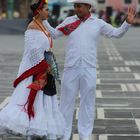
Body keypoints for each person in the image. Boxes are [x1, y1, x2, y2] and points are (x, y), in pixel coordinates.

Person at [40, 0, 136, 140]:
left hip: (89, 68)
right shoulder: (69, 21)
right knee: (66, 104)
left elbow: (116, 34)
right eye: (75, 6)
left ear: (88, 7)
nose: (76, 9)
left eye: (79, 6)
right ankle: (64, 135)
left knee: (88, 104)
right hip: (71, 67)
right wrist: (44, 21)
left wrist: (127, 23)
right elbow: (54, 34)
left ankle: (85, 136)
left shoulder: (98, 23)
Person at [0, 0, 65, 139]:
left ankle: (42, 125)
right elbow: (32, 50)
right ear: (39, 11)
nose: (48, 12)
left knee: (45, 97)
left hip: (46, 64)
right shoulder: (32, 27)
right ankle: (29, 125)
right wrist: (43, 66)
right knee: (33, 96)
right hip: (36, 68)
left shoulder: (43, 24)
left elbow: (52, 35)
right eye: (46, 9)